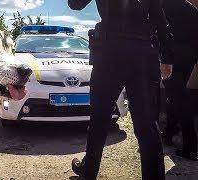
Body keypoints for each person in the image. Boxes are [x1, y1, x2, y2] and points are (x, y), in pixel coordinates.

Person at [68, 0, 173, 179]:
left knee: (99, 119)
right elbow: (158, 15)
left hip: (110, 51)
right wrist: (167, 57)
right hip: (141, 52)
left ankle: (89, 170)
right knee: (147, 123)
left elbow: (75, 4)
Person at [161, 0, 198, 161]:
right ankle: (170, 131)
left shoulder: (164, 4)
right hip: (188, 57)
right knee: (175, 96)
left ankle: (191, 147)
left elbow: (161, 30)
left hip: (171, 57)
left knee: (179, 99)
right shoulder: (191, 8)